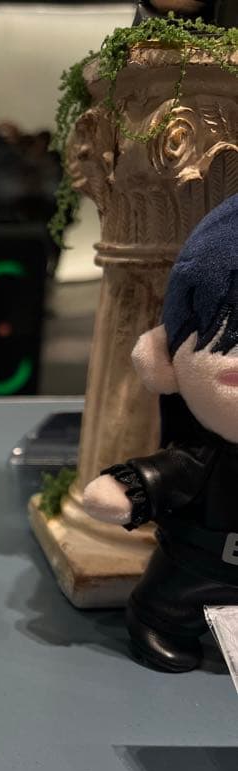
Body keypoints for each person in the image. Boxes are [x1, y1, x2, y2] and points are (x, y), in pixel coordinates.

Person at [83, 195, 238, 672]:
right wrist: (128, 488)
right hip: (194, 565)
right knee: (165, 606)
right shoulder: (203, 458)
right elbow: (167, 473)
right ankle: (157, 622)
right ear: (163, 362)